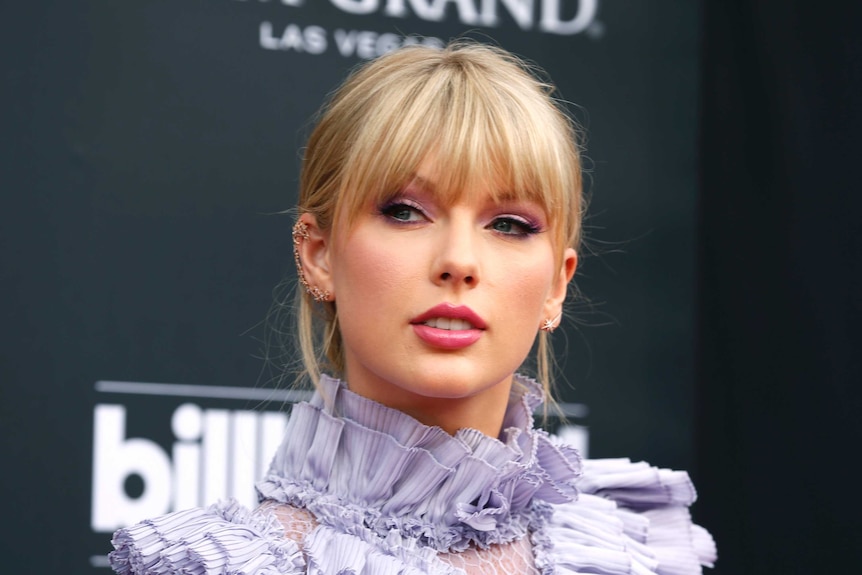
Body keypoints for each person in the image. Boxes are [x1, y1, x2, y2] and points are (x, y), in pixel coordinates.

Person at [109, 41, 716, 575]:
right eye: (404, 211)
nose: (458, 260)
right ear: (318, 254)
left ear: (557, 284)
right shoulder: (230, 566)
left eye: (509, 224)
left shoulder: (626, 552)